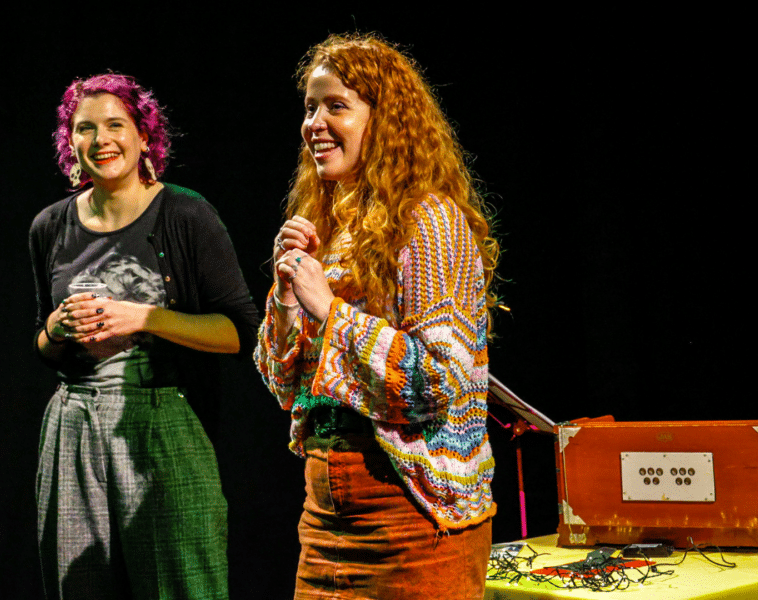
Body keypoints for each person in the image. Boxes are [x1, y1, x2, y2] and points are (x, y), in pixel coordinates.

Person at [255, 34, 501, 599]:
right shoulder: (333, 227)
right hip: (326, 515)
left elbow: (440, 382)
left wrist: (330, 310)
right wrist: (288, 295)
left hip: (414, 515)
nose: (314, 122)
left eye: (336, 105)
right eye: (310, 106)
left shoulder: (431, 221)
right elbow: (286, 389)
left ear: (385, 119)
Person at [29, 73, 258, 599]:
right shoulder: (49, 226)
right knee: (78, 587)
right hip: (74, 426)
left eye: (116, 125)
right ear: (71, 143)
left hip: (163, 423)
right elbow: (40, 344)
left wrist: (146, 318)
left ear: (143, 135)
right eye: (85, 129)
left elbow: (241, 332)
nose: (101, 140)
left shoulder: (186, 214)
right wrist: (55, 329)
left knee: (181, 587)